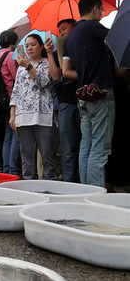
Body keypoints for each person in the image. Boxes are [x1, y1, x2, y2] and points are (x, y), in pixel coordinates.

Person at [63, 0, 116, 187]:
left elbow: (66, 71)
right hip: (100, 93)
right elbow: (117, 39)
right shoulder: (92, 27)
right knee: (100, 147)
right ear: (94, 9)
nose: (102, 13)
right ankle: (96, 193)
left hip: (83, 95)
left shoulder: (72, 37)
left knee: (86, 145)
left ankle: (85, 190)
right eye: (101, 9)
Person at [9, 34, 57, 180]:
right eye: (27, 45)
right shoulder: (21, 68)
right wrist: (12, 115)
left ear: (41, 46)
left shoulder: (46, 63)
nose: (29, 48)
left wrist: (28, 66)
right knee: (26, 156)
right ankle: (28, 186)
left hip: (43, 114)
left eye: (33, 44)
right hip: (23, 115)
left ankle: (49, 186)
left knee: (47, 154)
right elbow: (16, 91)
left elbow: (43, 82)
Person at [53, 19, 81, 182]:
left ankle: (82, 181)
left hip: (85, 98)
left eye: (64, 29)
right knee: (68, 146)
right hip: (66, 100)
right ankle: (69, 182)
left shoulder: (84, 45)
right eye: (60, 30)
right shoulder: (59, 50)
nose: (61, 33)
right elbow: (57, 76)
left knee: (83, 144)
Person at [0, 30, 21, 176]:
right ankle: (12, 169)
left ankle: (6, 168)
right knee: (15, 134)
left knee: (7, 135)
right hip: (12, 97)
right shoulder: (10, 55)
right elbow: (16, 76)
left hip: (2, 99)